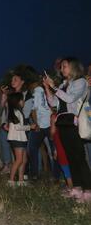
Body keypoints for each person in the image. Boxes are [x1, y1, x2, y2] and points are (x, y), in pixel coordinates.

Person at [44, 57, 91, 202]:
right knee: (70, 157)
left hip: (74, 123)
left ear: (74, 67)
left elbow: (70, 99)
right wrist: (48, 88)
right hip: (62, 123)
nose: (62, 68)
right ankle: (76, 188)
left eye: (65, 66)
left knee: (79, 157)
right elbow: (53, 103)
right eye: (61, 66)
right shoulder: (64, 84)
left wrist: (55, 87)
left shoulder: (80, 82)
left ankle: (88, 191)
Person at [7, 93, 36, 187]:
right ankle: (10, 181)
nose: (24, 102)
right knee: (19, 160)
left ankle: (21, 180)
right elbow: (18, 127)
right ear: (18, 101)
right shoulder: (16, 112)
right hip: (17, 138)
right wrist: (30, 127)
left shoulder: (18, 111)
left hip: (21, 138)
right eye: (22, 100)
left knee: (24, 160)